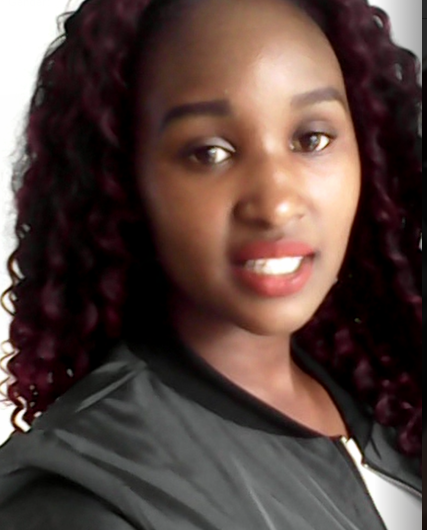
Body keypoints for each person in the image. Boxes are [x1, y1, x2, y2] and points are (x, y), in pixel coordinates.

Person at [0, 0, 422, 528]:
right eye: (209, 152)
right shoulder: (82, 499)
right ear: (123, 178)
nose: (276, 204)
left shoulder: (387, 385)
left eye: (311, 139)